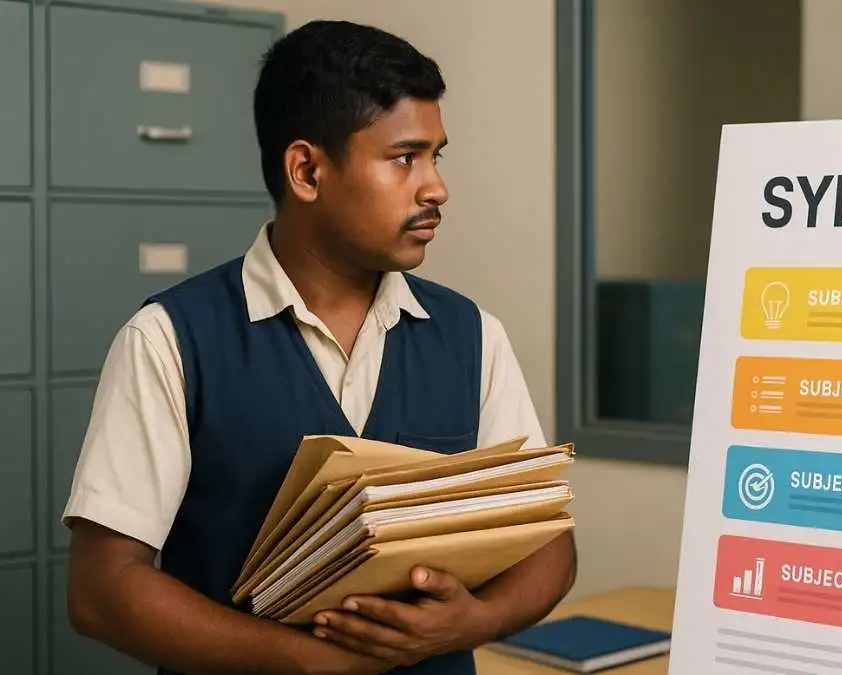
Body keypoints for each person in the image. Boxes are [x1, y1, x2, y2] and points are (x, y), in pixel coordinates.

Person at [60, 19, 576, 675]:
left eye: (435, 156)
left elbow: (549, 544)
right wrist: (306, 661)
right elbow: (102, 591)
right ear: (306, 170)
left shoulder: (474, 336)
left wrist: (472, 621)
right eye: (403, 158)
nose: (435, 187)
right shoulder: (169, 338)